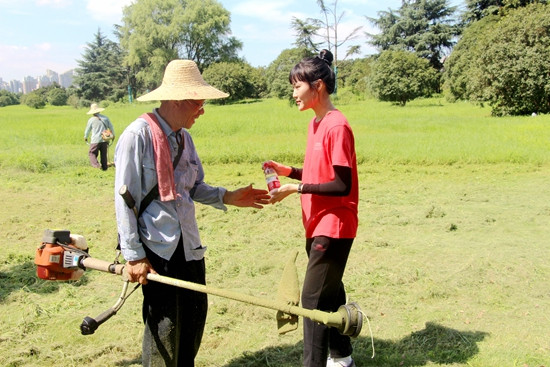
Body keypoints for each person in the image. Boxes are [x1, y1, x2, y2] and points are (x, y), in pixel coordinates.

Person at [114, 59, 270, 367]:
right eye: (198, 103)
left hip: (189, 247)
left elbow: (193, 187)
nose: (202, 110)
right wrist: (133, 256)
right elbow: (124, 199)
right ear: (176, 100)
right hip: (157, 250)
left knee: (195, 319)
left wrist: (228, 196)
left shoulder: (185, 139)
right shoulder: (138, 136)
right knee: (164, 327)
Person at [266, 49, 359, 367]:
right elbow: (320, 174)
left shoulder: (336, 126)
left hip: (334, 225)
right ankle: (342, 357)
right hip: (316, 222)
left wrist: (296, 188)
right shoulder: (316, 125)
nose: (293, 93)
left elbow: (341, 184)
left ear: (317, 86)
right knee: (329, 293)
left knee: (311, 300)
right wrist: (288, 172)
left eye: (297, 86)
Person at [84, 103, 115, 170]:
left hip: (95, 140)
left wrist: (85, 137)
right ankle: (104, 168)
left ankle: (97, 166)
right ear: (99, 110)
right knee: (104, 154)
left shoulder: (91, 120)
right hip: (105, 139)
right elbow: (111, 127)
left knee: (92, 153)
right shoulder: (105, 118)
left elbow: (88, 130)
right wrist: (113, 135)